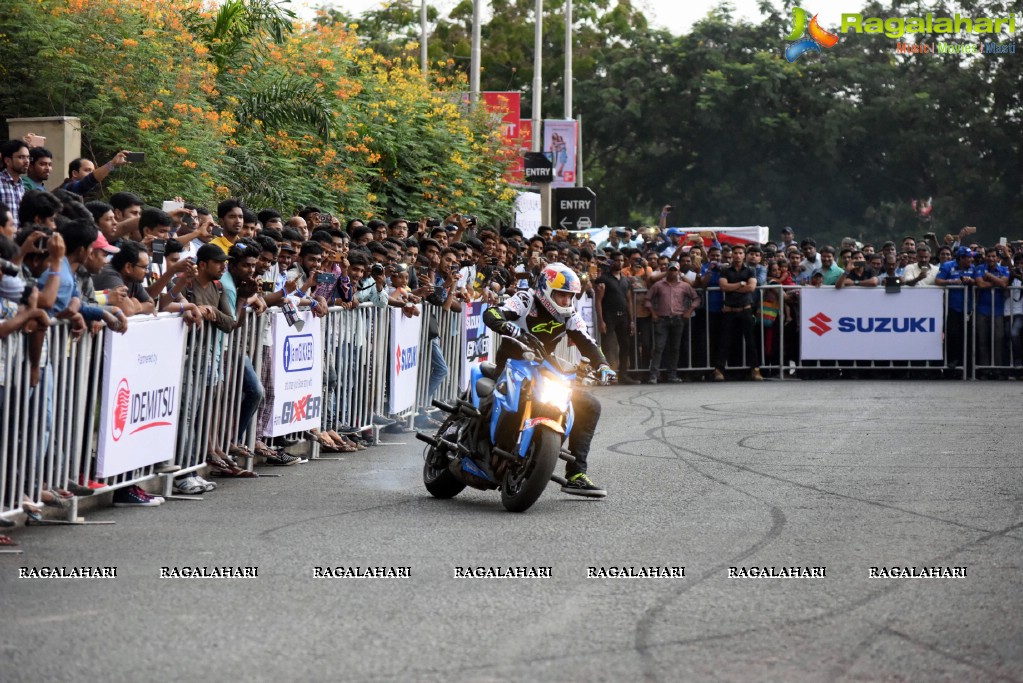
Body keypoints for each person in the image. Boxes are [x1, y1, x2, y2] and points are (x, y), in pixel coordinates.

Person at [482, 263, 617, 497]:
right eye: (561, 295)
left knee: (589, 405)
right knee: (497, 397)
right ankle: (478, 438)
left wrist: (603, 365)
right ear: (546, 289)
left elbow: (588, 342)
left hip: (543, 369)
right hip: (512, 364)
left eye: (569, 296)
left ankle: (576, 473)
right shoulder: (526, 299)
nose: (566, 301)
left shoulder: (570, 316)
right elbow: (492, 312)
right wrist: (506, 326)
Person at [713, 244, 763, 381]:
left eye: (740, 253)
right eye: (735, 253)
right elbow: (723, 286)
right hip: (730, 310)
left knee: (751, 342)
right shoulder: (725, 270)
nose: (737, 255)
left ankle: (755, 370)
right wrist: (741, 284)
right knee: (725, 341)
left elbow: (751, 288)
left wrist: (732, 287)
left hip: (745, 310)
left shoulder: (750, 270)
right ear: (732, 254)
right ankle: (719, 370)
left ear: (744, 255)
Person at [646, 262, 700, 383]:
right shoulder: (658, 285)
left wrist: (689, 311)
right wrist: (653, 313)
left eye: (675, 270)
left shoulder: (684, 286)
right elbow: (648, 299)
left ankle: (672, 374)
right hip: (662, 319)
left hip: (678, 319)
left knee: (675, 348)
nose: (672, 272)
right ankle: (653, 375)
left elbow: (696, 298)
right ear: (667, 271)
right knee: (659, 347)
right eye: (670, 270)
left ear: (678, 271)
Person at [593, 250, 637, 383]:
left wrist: (632, 320)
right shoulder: (603, 279)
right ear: (611, 262)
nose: (620, 263)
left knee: (625, 345)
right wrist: (601, 320)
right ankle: (607, 376)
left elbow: (629, 300)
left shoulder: (625, 280)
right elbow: (598, 300)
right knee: (606, 346)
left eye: (622, 260)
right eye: (617, 260)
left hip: (623, 317)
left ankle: (623, 374)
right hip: (609, 316)